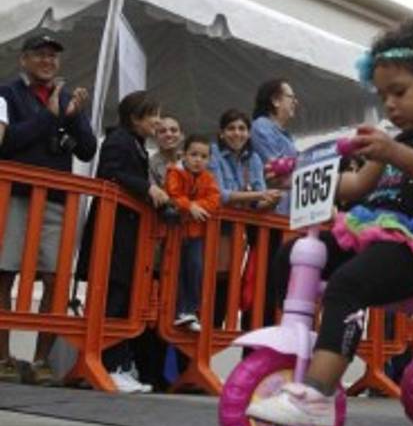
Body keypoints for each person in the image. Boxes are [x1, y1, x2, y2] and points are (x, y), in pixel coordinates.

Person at [246, 20, 413, 426]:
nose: (390, 105)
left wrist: (393, 151)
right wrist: (301, 178)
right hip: (377, 238)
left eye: (399, 92)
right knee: (292, 255)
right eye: (383, 96)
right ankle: (300, 349)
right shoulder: (393, 138)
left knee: (348, 283)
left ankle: (317, 396)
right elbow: (356, 186)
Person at [0, 33, 97, 384]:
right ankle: (4, 359)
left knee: (56, 278)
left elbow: (86, 150)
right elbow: (6, 142)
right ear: (23, 59)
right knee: (4, 272)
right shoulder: (7, 94)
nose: (47, 61)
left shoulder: (68, 98)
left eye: (52, 56)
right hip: (15, 197)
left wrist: (71, 117)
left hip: (57, 200)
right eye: (39, 55)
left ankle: (41, 361)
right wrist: (49, 116)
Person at [78, 91, 169, 393]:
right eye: (153, 114)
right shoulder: (118, 141)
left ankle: (117, 363)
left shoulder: (136, 143)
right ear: (135, 117)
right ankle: (108, 364)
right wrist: (147, 188)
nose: (157, 120)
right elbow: (110, 173)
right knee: (114, 298)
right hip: (114, 232)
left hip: (126, 235)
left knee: (124, 297)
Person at [209, 109, 282, 325]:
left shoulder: (255, 159)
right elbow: (220, 195)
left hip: (238, 238)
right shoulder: (213, 153)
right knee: (213, 291)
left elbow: (258, 203)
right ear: (221, 133)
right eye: (231, 128)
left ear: (249, 133)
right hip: (215, 234)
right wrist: (260, 195)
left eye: (242, 128)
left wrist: (271, 201)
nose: (237, 133)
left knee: (229, 291)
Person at [165, 134, 221, 332]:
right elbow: (173, 195)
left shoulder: (209, 178)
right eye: (194, 154)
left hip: (195, 233)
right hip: (175, 232)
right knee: (176, 272)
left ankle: (189, 310)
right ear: (184, 155)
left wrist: (193, 206)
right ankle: (178, 310)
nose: (198, 160)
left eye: (204, 156)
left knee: (195, 268)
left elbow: (214, 199)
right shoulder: (175, 172)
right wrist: (190, 207)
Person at [250, 78, 298, 216]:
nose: (295, 102)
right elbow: (276, 168)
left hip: (286, 213)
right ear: (275, 101)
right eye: (291, 97)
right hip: (270, 212)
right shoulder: (261, 126)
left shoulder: (287, 136)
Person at [149, 114, 184, 186]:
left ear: (182, 135)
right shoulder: (150, 166)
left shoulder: (193, 158)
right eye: (162, 131)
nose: (168, 134)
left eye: (173, 130)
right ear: (155, 137)